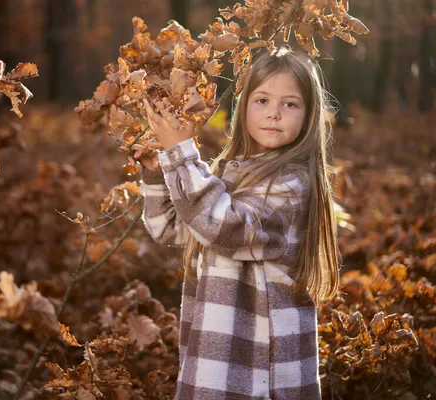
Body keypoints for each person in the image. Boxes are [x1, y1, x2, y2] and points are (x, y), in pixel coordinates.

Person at [129, 46, 340, 399]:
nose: (274, 113)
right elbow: (171, 226)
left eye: (289, 104)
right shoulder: (231, 174)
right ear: (243, 108)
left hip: (261, 370)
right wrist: (159, 170)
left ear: (308, 115)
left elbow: (223, 227)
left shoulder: (293, 186)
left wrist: (181, 154)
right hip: (217, 357)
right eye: (261, 100)